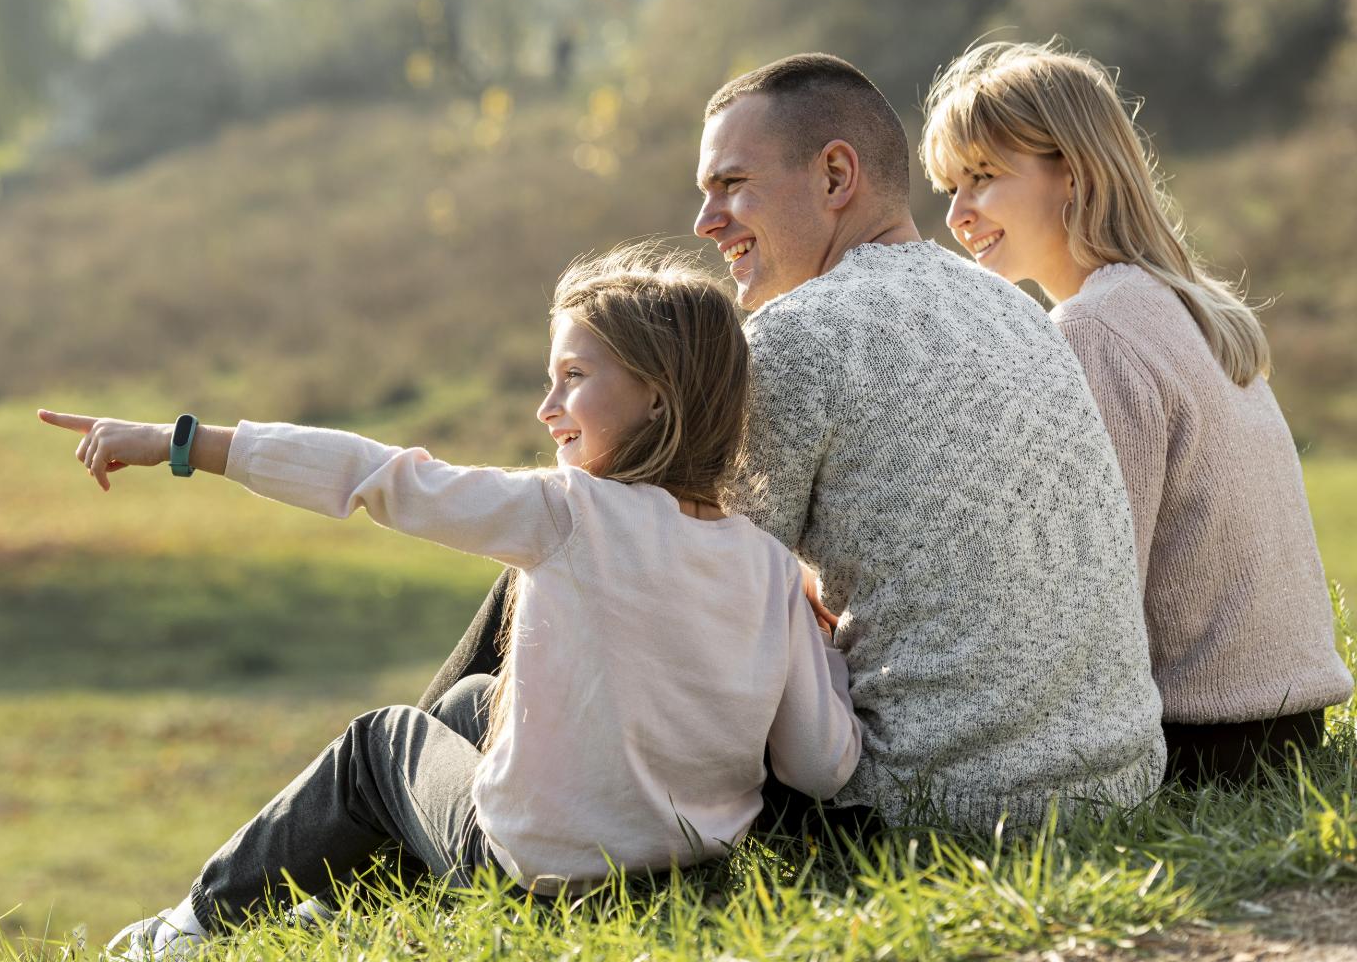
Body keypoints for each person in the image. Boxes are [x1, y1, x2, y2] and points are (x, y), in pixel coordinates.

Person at [39, 244, 861, 962]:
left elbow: (377, 475)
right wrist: (823, 644)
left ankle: (187, 929)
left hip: (537, 878)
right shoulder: (766, 564)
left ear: (658, 396)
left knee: (379, 744)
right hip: (677, 880)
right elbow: (820, 763)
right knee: (471, 703)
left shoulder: (568, 511)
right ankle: (335, 904)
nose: (546, 409)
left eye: (573, 378)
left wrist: (181, 442)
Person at [425, 53, 1166, 831]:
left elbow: (683, 601)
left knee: (541, 588)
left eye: (731, 185)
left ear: (836, 176)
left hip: (929, 802)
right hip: (1115, 780)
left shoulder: (796, 339)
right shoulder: (1013, 310)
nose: (706, 222)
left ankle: (418, 836)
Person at [922, 39, 1353, 785]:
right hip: (1287, 721)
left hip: (1208, 738)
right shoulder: (1183, 303)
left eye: (984, 177)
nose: (959, 214)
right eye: (949, 187)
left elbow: (1087, 589)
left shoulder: (1096, 329)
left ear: (1074, 173)